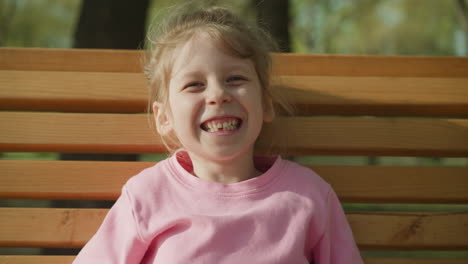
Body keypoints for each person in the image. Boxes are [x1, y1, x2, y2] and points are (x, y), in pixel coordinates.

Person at [73, 4, 363, 264]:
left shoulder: (309, 195)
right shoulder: (147, 196)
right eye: (194, 85)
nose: (218, 95)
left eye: (235, 79)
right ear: (164, 118)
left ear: (265, 104)